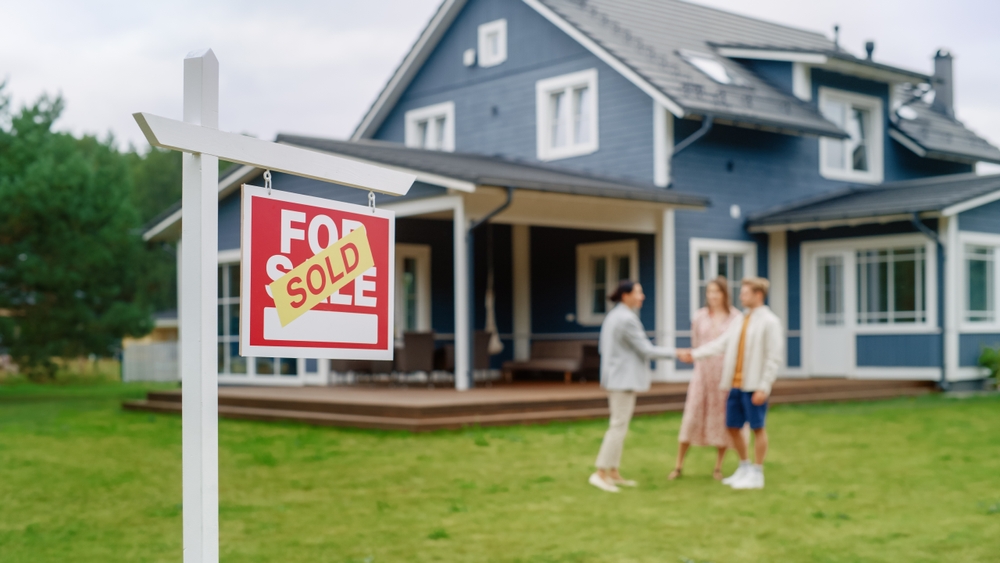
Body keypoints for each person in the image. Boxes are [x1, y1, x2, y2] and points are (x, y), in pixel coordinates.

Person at [678, 277, 783, 490]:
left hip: (754, 385)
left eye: (746, 293)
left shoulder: (770, 322)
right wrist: (695, 354)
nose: (741, 296)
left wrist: (764, 386)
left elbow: (774, 357)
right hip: (735, 384)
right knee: (733, 427)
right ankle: (744, 467)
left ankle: (757, 472)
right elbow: (720, 344)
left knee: (757, 427)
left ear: (758, 295)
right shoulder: (741, 320)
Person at [590, 280, 675, 493]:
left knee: (620, 425)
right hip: (622, 380)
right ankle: (601, 473)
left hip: (616, 378)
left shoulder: (614, 316)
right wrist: (677, 353)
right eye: (638, 292)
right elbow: (646, 350)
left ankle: (614, 473)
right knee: (618, 426)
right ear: (626, 295)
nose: (642, 296)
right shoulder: (626, 319)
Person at [669, 277, 741, 481]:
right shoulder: (699, 316)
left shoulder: (735, 317)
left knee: (722, 418)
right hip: (703, 372)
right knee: (692, 414)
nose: (712, 296)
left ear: (725, 294)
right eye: (709, 292)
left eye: (716, 292)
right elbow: (696, 343)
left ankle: (718, 467)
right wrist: (693, 356)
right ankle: (678, 465)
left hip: (724, 374)